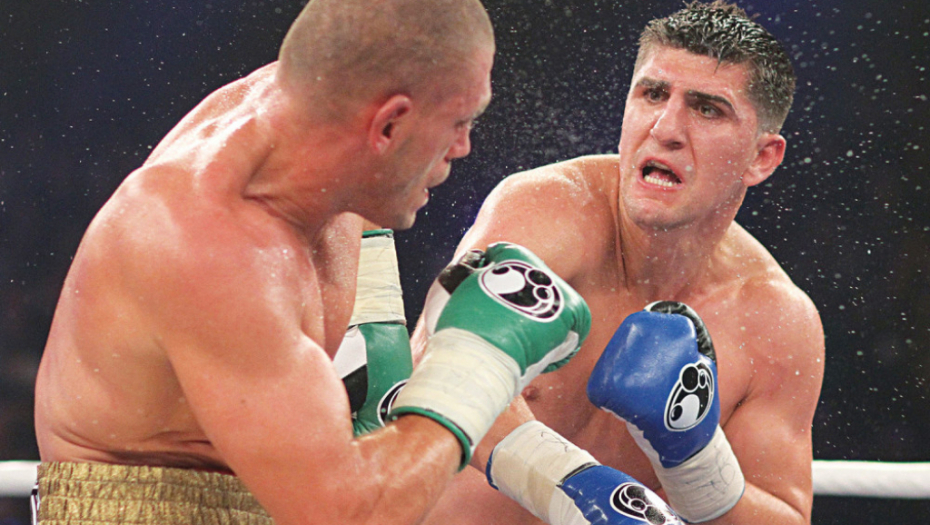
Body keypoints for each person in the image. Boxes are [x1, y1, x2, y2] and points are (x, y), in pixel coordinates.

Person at [31, 1, 607, 524]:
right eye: (460, 122)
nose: (463, 148)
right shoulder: (210, 245)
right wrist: (475, 365)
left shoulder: (325, 114)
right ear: (389, 124)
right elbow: (347, 515)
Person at [413, 2, 825, 524]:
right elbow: (436, 365)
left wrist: (696, 462)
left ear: (761, 158)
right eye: (653, 94)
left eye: (707, 109)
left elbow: (786, 517)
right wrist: (579, 490)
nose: (666, 128)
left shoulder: (774, 321)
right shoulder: (547, 211)